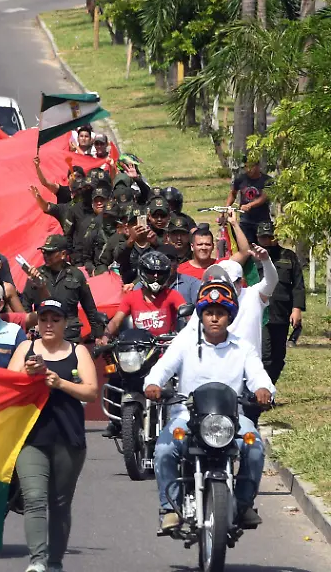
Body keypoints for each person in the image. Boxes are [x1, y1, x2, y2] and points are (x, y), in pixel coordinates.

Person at [146, 279, 274, 531]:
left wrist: (263, 390)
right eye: (209, 313)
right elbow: (161, 369)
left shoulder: (243, 347)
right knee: (163, 450)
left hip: (232, 419)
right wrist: (153, 385)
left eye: (220, 313)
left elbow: (259, 376)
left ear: (230, 317)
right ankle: (170, 507)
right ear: (201, 316)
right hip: (186, 416)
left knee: (255, 448)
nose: (215, 318)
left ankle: (243, 503)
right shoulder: (184, 342)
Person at [7, 299, 98, 572]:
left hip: (67, 437)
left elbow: (91, 391)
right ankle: (37, 562)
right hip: (30, 438)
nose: (48, 324)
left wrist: (60, 383)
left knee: (59, 503)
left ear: (64, 323)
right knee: (34, 499)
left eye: (54, 320)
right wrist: (28, 373)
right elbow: (8, 385)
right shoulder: (26, 348)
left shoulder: (78, 352)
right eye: (44, 319)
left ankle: (55, 563)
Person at [22, 234, 106, 343]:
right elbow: (25, 304)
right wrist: (29, 328)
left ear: (63, 254)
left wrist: (98, 335)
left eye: (50, 252)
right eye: (44, 252)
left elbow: (89, 307)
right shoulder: (36, 275)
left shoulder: (76, 275)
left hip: (70, 334)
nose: (46, 255)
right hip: (43, 332)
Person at [103, 250, 188, 341]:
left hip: (166, 348)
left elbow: (187, 314)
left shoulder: (173, 295)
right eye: (151, 272)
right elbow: (115, 321)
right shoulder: (131, 297)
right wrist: (105, 337)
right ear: (143, 272)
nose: (155, 276)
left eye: (160, 273)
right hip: (139, 349)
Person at [256, 221, 303, 383]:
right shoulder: (253, 258)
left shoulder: (288, 256)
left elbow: (298, 285)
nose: (267, 241)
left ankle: (269, 389)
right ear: (257, 237)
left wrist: (297, 309)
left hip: (282, 313)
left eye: (270, 237)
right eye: (263, 237)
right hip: (260, 314)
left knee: (278, 358)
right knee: (265, 356)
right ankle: (263, 392)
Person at [228, 156, 270, 243]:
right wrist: (226, 207)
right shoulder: (240, 179)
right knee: (246, 246)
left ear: (257, 166)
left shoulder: (267, 180)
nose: (248, 169)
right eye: (246, 167)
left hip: (262, 220)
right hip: (246, 221)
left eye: (251, 167)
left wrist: (250, 205)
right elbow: (233, 194)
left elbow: (264, 197)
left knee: (263, 246)